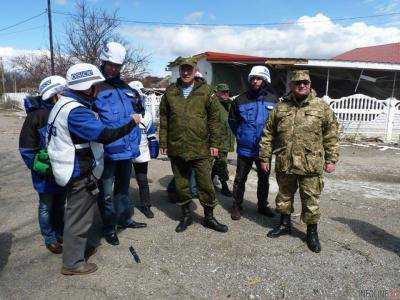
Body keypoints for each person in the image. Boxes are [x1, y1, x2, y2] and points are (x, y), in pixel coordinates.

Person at [46, 63, 141, 275]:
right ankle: (72, 263)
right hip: (79, 171)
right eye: (96, 86)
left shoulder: (63, 103)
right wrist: (131, 123)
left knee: (76, 213)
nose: (98, 89)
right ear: (87, 88)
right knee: (78, 217)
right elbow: (105, 135)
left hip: (69, 168)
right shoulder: (77, 112)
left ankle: (76, 249)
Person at [259, 70, 339, 253]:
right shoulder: (281, 107)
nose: (302, 85)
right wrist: (264, 157)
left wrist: (331, 159)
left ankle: (311, 232)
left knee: (311, 199)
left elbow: (331, 134)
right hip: (285, 161)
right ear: (291, 86)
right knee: (284, 195)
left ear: (310, 84)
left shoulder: (321, 107)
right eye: (298, 83)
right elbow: (268, 134)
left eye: (305, 82)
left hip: (311, 164)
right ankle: (284, 224)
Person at [159, 57, 228, 233]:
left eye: (189, 69)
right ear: (180, 70)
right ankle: (186, 215)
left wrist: (215, 144)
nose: (186, 72)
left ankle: (209, 217)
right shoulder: (170, 92)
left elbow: (215, 120)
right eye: (183, 69)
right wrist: (163, 142)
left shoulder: (206, 91)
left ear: (194, 70)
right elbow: (164, 119)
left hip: (201, 148)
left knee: (205, 184)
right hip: (177, 147)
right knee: (182, 184)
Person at [95, 42, 146, 247]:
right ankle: (109, 227)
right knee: (106, 193)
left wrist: (139, 104)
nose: (114, 69)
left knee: (123, 190)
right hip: (107, 151)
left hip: (126, 149)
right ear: (103, 62)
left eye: (118, 66)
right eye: (111, 65)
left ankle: (124, 219)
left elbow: (136, 111)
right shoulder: (95, 86)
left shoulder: (125, 87)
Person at [19, 75, 67, 254]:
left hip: (62, 170)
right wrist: (41, 167)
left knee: (60, 204)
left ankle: (60, 231)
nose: (66, 95)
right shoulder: (36, 116)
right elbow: (26, 148)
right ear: (53, 94)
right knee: (46, 205)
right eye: (63, 92)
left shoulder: (64, 111)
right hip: (45, 174)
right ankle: (50, 237)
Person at [228, 66, 277, 220]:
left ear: (265, 80)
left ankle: (262, 206)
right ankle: (236, 206)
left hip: (264, 150)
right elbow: (233, 122)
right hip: (245, 149)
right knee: (240, 179)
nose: (255, 81)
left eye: (258, 78)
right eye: (253, 78)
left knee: (264, 179)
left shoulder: (273, 100)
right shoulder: (240, 100)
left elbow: (277, 124)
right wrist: (243, 135)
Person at [128, 80, 157, 218]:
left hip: (142, 150)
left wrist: (153, 144)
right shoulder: (123, 112)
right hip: (125, 151)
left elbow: (151, 131)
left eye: (137, 95)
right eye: (132, 95)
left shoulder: (147, 115)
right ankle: (124, 209)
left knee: (142, 180)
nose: (135, 98)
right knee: (122, 182)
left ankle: (146, 205)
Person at [211, 83, 235, 197]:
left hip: (227, 139)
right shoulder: (213, 104)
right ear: (217, 93)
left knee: (218, 163)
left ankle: (210, 181)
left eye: (227, 92)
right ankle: (224, 185)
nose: (225, 94)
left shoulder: (230, 104)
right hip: (217, 140)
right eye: (223, 92)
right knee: (221, 163)